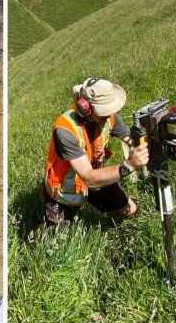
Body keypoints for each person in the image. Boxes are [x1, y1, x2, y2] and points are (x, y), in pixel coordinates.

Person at [42, 77, 150, 227]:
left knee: (129, 210)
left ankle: (107, 227)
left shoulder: (109, 117)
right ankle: (35, 238)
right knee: (51, 236)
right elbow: (88, 178)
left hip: (97, 177)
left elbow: (131, 140)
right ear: (85, 108)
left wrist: (151, 141)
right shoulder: (65, 129)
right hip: (66, 190)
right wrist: (129, 165)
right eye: (104, 110)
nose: (109, 114)